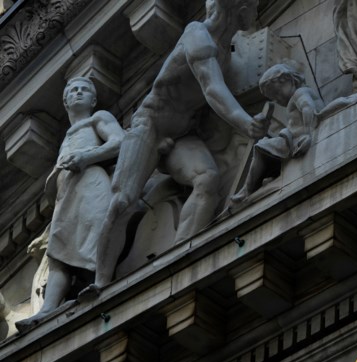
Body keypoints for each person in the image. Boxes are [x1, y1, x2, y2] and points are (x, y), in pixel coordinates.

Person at [77, 0, 268, 303]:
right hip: (149, 127)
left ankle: (178, 257)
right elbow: (212, 91)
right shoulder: (197, 34)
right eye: (251, 6)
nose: (255, 11)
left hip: (181, 135)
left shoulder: (223, 52)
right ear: (236, 8)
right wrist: (247, 124)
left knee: (207, 179)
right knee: (123, 201)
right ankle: (100, 282)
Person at [15, 77, 124, 333]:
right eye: (72, 90)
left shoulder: (99, 118)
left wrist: (86, 157)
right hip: (67, 196)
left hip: (91, 185)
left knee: (95, 232)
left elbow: (119, 141)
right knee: (58, 254)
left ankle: (100, 281)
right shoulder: (68, 135)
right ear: (65, 102)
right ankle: (47, 310)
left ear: (93, 100)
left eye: (84, 90)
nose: (78, 93)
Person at [231, 62, 323, 203]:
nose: (277, 99)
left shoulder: (300, 94)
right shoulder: (300, 94)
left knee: (261, 148)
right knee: (266, 149)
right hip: (292, 139)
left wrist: (310, 134)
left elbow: (308, 108)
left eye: (277, 93)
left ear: (288, 80)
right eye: (273, 97)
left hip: (295, 140)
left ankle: (248, 189)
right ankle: (258, 182)